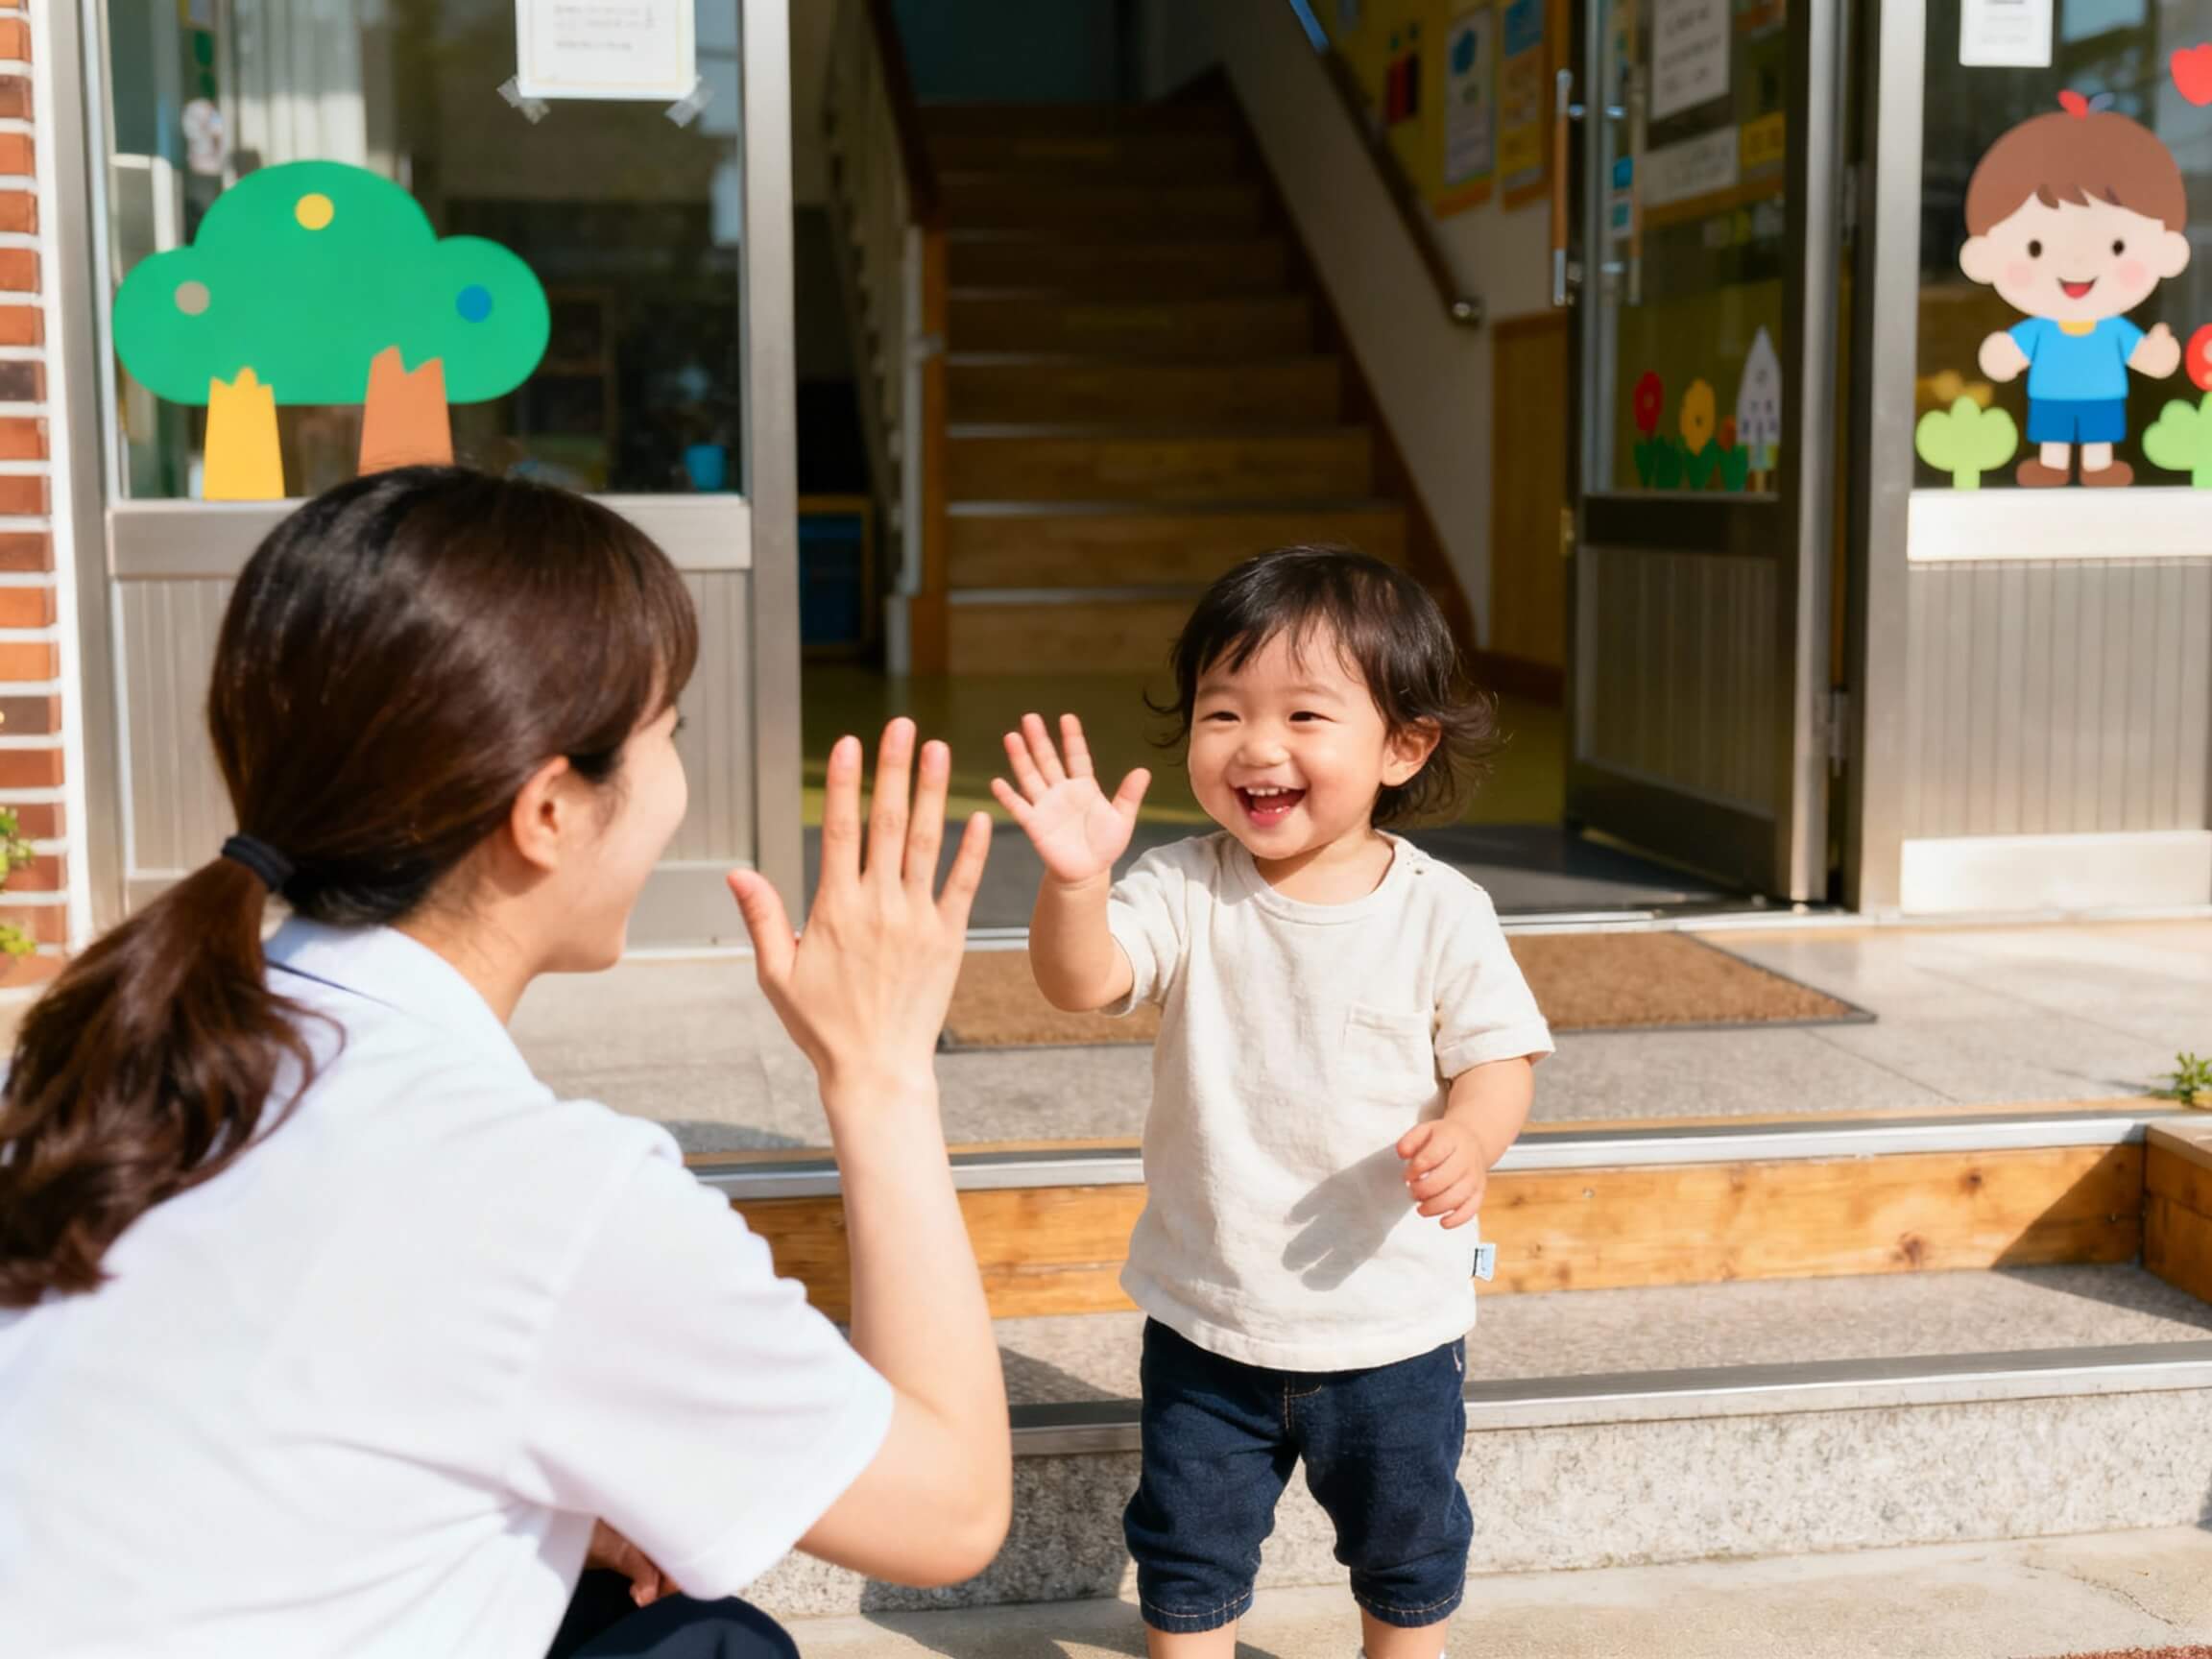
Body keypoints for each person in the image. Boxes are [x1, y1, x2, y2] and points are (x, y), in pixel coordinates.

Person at [0, 468, 1011, 1658]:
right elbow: (950, 1511)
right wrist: (880, 1069)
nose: (676, 780)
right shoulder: (552, 1199)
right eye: (666, 737)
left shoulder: (99, 1058)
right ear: (547, 813)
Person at [993, 547, 1553, 1659]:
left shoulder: (1443, 911)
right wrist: (1073, 882)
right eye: (1223, 711)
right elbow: (1084, 980)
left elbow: (1501, 1057)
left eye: (1305, 714)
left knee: (1407, 1547)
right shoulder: (1186, 886)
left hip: (1391, 1324)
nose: (1257, 746)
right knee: (1190, 1554)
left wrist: (1470, 1135)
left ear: (1405, 745)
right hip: (1209, 1317)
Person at [1961, 90, 2191, 488]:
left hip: (2102, 396)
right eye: (2035, 247)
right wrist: (2003, 353)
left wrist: (2156, 354)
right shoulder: (2042, 329)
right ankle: (2053, 466)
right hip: (2051, 395)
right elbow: (2012, 353)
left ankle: (2098, 467)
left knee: (2098, 434)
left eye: (2117, 246)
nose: (2077, 263)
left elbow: (2141, 356)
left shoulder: (2113, 329)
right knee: (2054, 434)